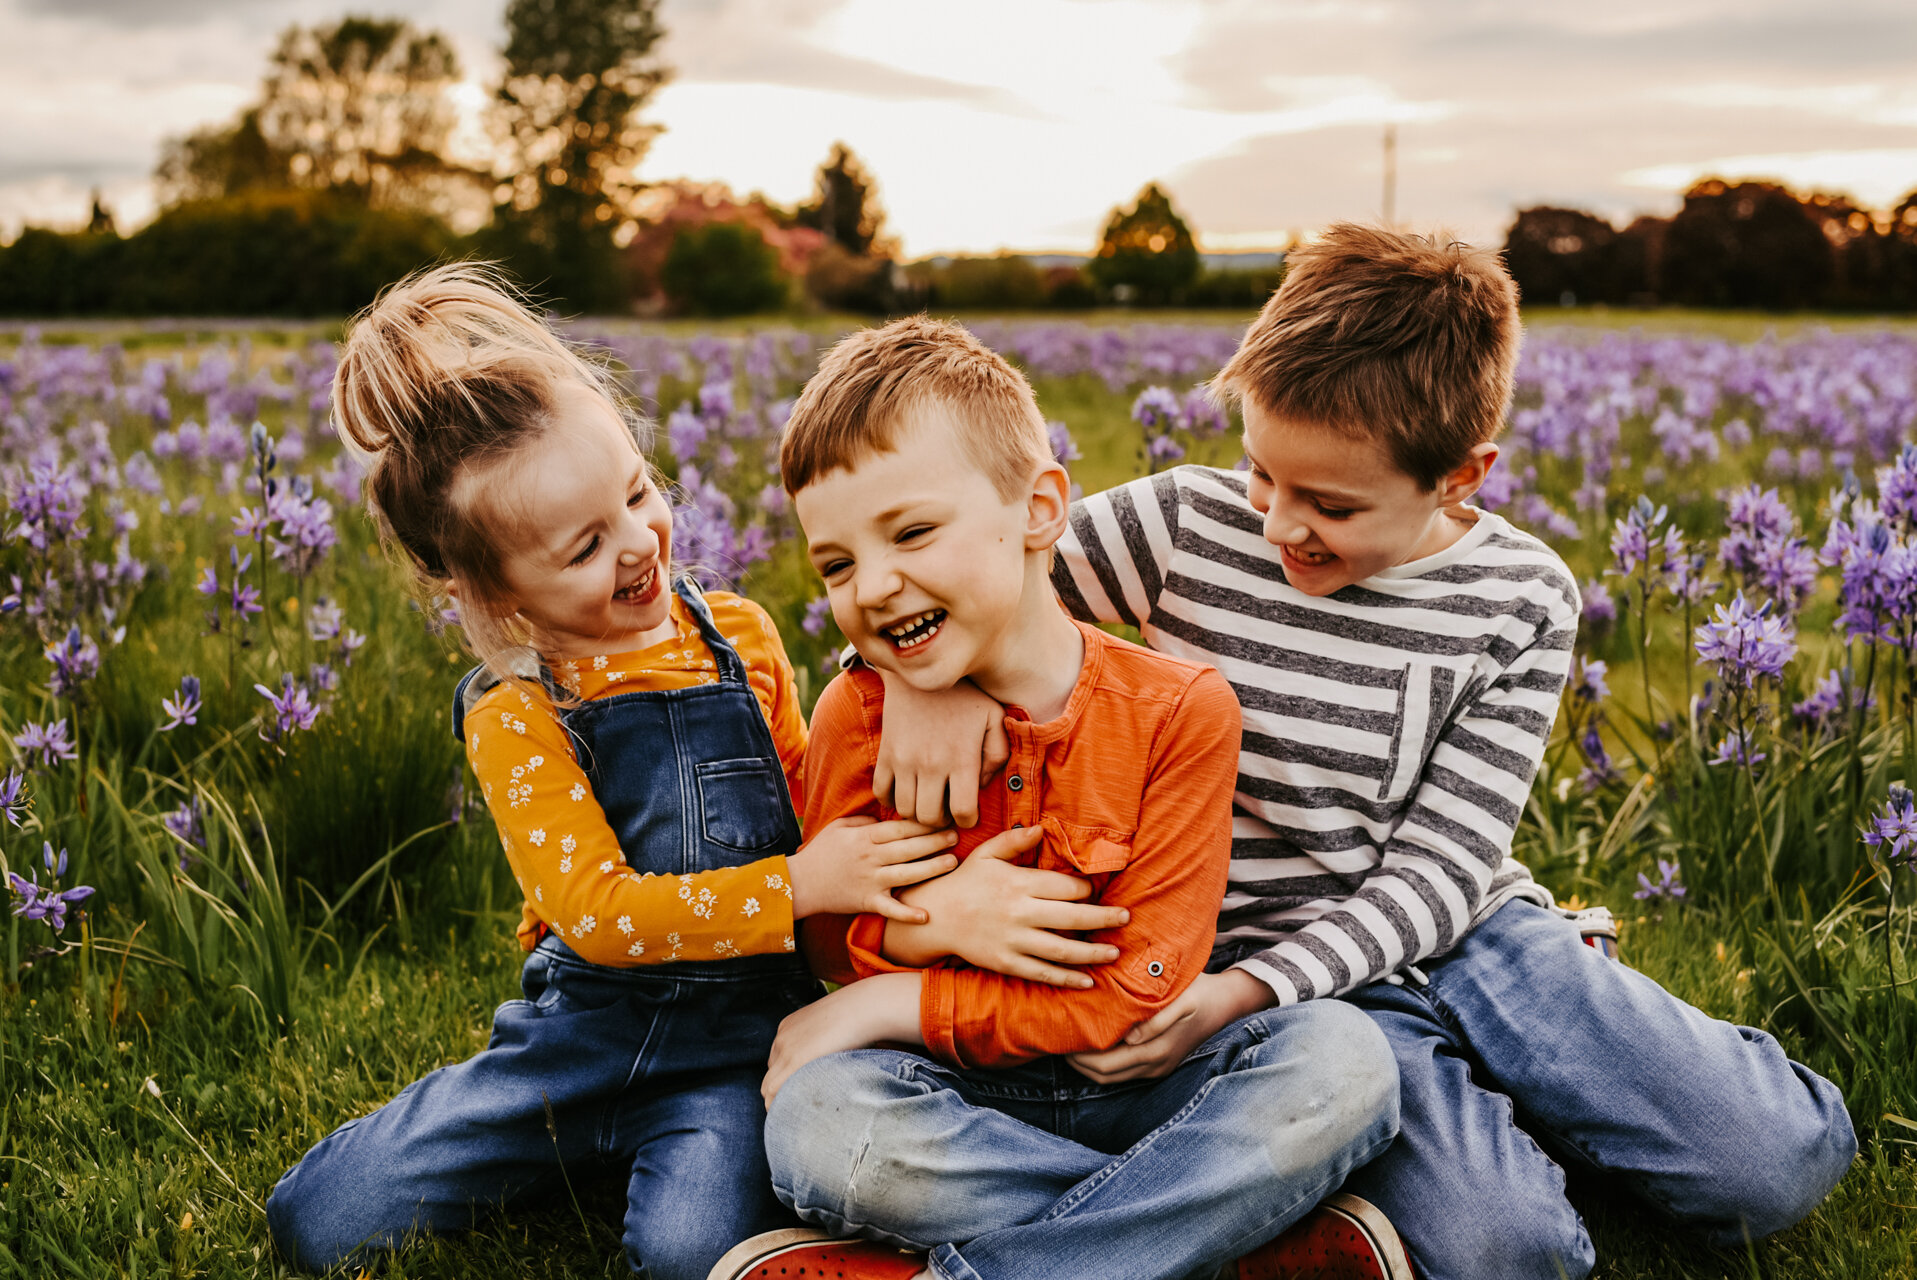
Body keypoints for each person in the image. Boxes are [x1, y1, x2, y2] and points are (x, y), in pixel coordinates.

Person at [872, 224, 1859, 1280]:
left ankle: (1574, 1033)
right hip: (1308, 982)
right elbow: (958, 598)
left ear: (1460, 476)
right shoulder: (1179, 527)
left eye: (1332, 504)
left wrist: (1238, 996)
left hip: (1469, 927)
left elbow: (1441, 872)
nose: (1280, 524)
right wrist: (911, 684)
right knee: (1509, 1249)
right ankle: (1502, 1115)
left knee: (1773, 1165)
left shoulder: (1524, 598)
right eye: (1262, 472)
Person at [262, 264, 973, 1280]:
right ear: (495, 588)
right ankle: (573, 1142)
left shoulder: (740, 637)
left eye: (637, 492)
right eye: (586, 545)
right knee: (316, 1219)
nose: (640, 542)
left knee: (691, 1253)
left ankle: (669, 1159)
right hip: (578, 1041)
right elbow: (597, 911)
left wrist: (910, 695)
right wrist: (798, 884)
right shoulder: (520, 707)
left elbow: (817, 801)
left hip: (736, 1047)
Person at [714, 316, 1404, 1280]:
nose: (872, 587)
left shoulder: (1180, 711)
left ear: (1041, 510)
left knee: (1344, 1061)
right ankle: (1220, 1238)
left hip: (1149, 1083)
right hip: (948, 1095)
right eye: (834, 565)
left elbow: (1136, 994)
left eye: (911, 532)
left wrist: (897, 993)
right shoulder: (858, 714)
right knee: (822, 1123)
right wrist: (931, 922)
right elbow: (830, 940)